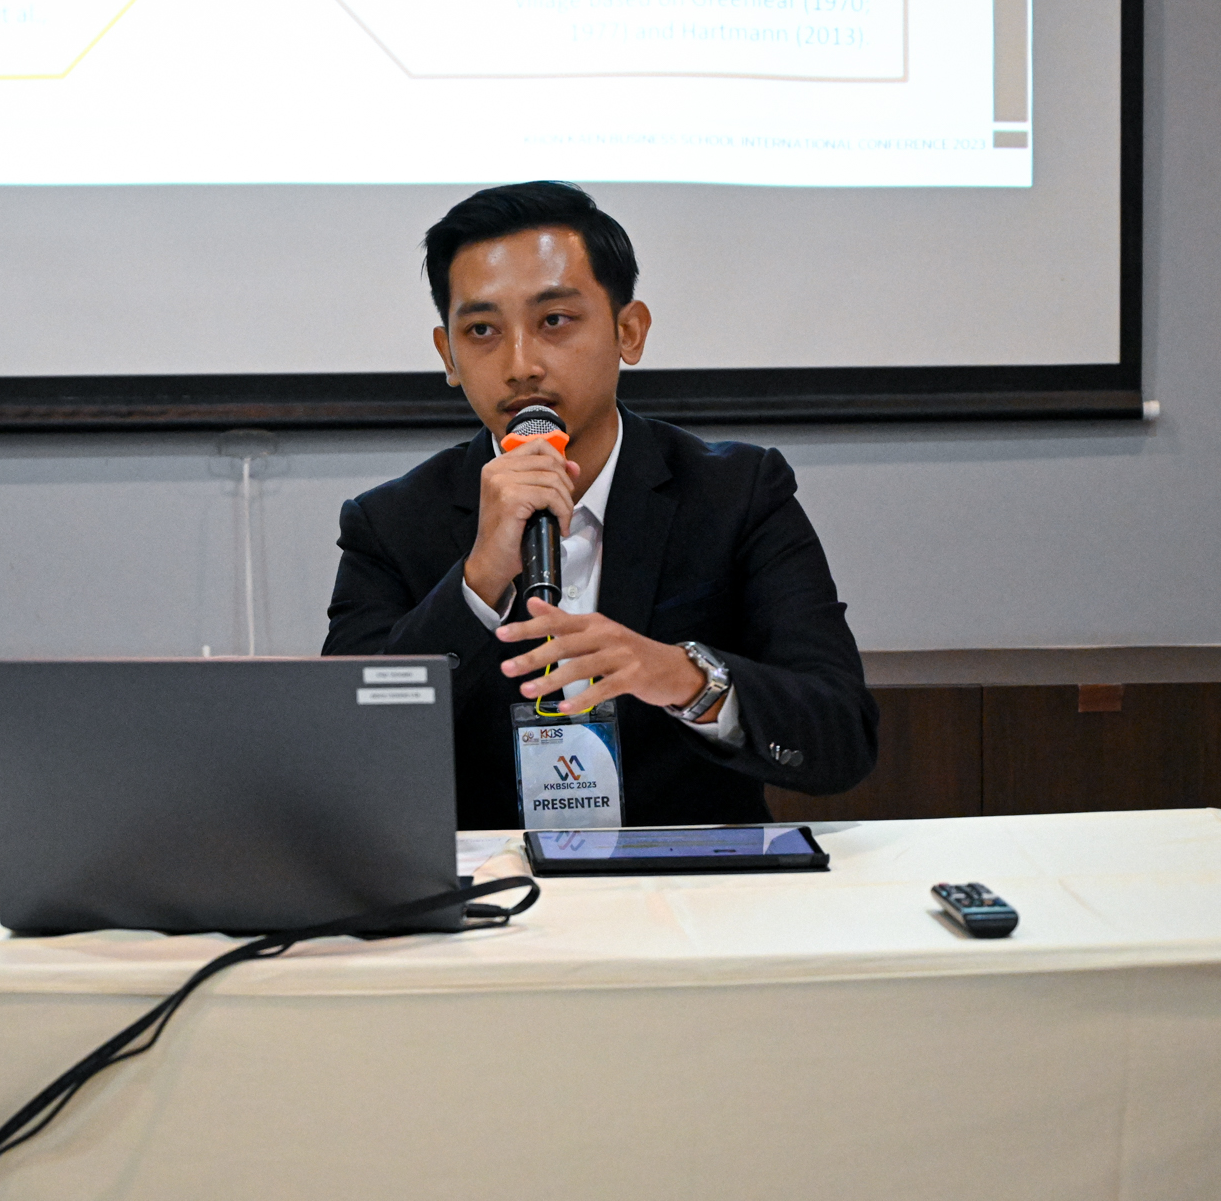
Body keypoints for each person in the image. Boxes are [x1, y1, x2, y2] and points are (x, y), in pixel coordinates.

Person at [323, 181, 878, 830]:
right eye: (482, 330)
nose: (521, 365)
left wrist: (684, 677)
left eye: (554, 320)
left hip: (689, 881)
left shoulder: (737, 494)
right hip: (492, 884)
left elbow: (841, 735)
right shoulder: (390, 524)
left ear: (628, 331)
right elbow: (346, 755)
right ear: (449, 355)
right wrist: (476, 583)